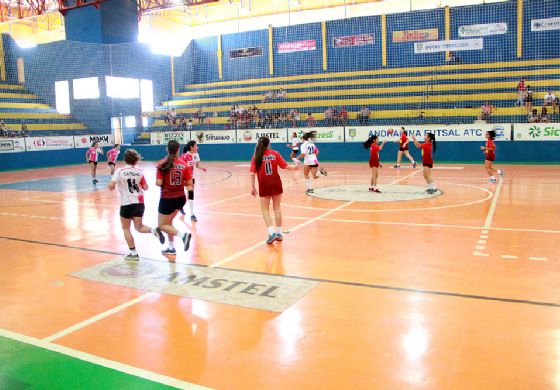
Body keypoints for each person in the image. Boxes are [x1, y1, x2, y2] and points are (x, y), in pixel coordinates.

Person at [108, 149, 165, 260]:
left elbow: (111, 186)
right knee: (139, 227)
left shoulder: (120, 171)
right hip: (140, 203)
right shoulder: (139, 171)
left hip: (127, 203)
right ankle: (154, 230)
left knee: (126, 229)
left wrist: (113, 185)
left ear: (125, 159)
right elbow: (146, 187)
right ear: (135, 160)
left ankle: (133, 253)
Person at [250, 136, 299, 244]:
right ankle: (279, 233)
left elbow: (252, 173)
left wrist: (253, 187)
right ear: (268, 144)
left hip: (264, 185)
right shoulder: (275, 153)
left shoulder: (256, 156)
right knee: (277, 208)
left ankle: (271, 232)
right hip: (276, 183)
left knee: (265, 210)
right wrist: (295, 167)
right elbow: (285, 166)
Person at [156, 140, 193, 255]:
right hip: (180, 198)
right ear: (178, 150)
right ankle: (171, 247)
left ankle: (183, 236)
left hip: (167, 199)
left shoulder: (162, 164)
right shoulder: (184, 165)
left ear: (167, 149)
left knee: (162, 226)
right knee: (169, 223)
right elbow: (189, 184)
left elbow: (158, 182)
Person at [179, 141, 207, 222]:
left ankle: (186, 210)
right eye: (196, 146)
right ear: (191, 147)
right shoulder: (184, 156)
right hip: (184, 178)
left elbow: (197, 165)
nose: (197, 147)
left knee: (190, 194)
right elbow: (180, 167)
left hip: (192, 178)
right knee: (188, 193)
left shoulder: (196, 155)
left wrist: (202, 168)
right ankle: (188, 212)